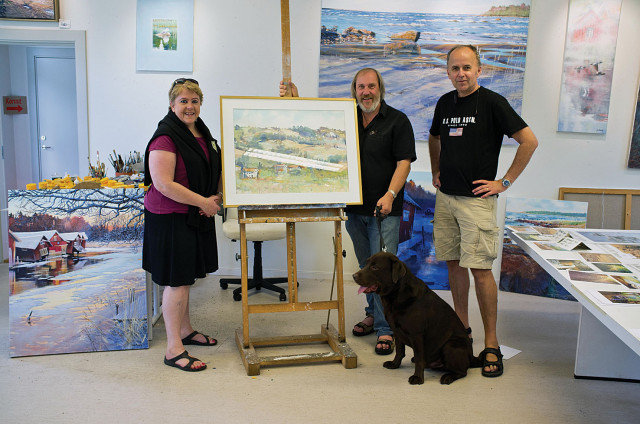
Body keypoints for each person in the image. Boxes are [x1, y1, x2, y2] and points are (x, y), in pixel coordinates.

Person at [280, 69, 416, 356]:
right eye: (360, 87)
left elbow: (404, 162)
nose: (366, 92)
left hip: (385, 211)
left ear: (381, 88)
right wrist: (296, 100)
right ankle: (373, 314)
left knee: (385, 273)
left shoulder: (397, 121)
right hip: (354, 210)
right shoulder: (346, 119)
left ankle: (387, 328)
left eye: (371, 86)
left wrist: (390, 195)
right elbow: (315, 128)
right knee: (368, 270)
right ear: (354, 90)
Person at [428, 45, 538, 377]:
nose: (460, 73)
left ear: (479, 69)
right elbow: (435, 138)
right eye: (454, 68)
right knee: (454, 264)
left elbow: (529, 141)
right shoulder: (445, 103)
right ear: (447, 72)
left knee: (480, 270)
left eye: (466, 67)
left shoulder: (493, 103)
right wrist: (436, 170)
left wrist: (503, 182)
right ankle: (462, 330)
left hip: (476, 203)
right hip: (446, 199)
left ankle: (491, 342)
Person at [143, 78, 223, 372]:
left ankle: (186, 330)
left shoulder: (201, 131)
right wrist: (203, 202)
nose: (190, 107)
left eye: (195, 101)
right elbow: (163, 184)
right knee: (177, 282)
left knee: (186, 278)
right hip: (170, 216)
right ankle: (174, 348)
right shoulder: (165, 137)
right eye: (183, 101)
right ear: (172, 104)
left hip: (194, 213)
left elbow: (214, 164)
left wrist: (216, 195)